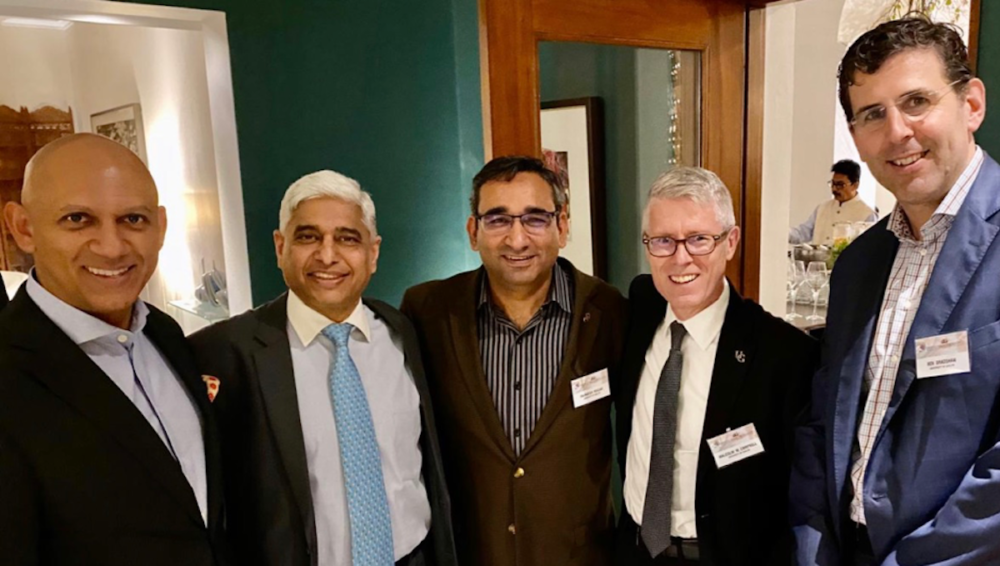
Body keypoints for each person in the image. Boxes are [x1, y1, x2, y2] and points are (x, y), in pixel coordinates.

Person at [790, 17, 1000, 565]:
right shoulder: (858, 263)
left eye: (916, 102)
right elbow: (824, 422)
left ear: (971, 104)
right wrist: (814, 547)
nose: (897, 132)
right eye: (872, 114)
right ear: (856, 135)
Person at [189, 170, 456, 566]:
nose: (327, 255)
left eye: (347, 238)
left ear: (373, 253)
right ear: (280, 248)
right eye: (308, 237)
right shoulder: (223, 354)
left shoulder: (404, 334)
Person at [0, 133, 228, 565]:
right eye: (77, 219)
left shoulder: (164, 333)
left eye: (133, 220)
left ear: (160, 227)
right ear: (23, 228)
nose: (112, 246)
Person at [401, 156, 627, 566]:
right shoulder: (428, 312)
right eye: (498, 219)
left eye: (535, 219)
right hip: (472, 554)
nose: (517, 239)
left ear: (562, 225)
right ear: (474, 231)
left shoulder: (608, 312)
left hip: (578, 556)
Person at [616, 166, 818, 565]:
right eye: (662, 241)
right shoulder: (640, 308)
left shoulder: (785, 355)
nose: (680, 257)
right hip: (635, 547)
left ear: (730, 242)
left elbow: (804, 495)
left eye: (699, 240)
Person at [788, 159, 878, 246]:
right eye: (833, 184)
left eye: (840, 185)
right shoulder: (822, 208)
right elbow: (804, 233)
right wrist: (781, 231)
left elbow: (869, 247)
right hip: (818, 261)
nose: (834, 189)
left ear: (855, 185)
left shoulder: (867, 214)